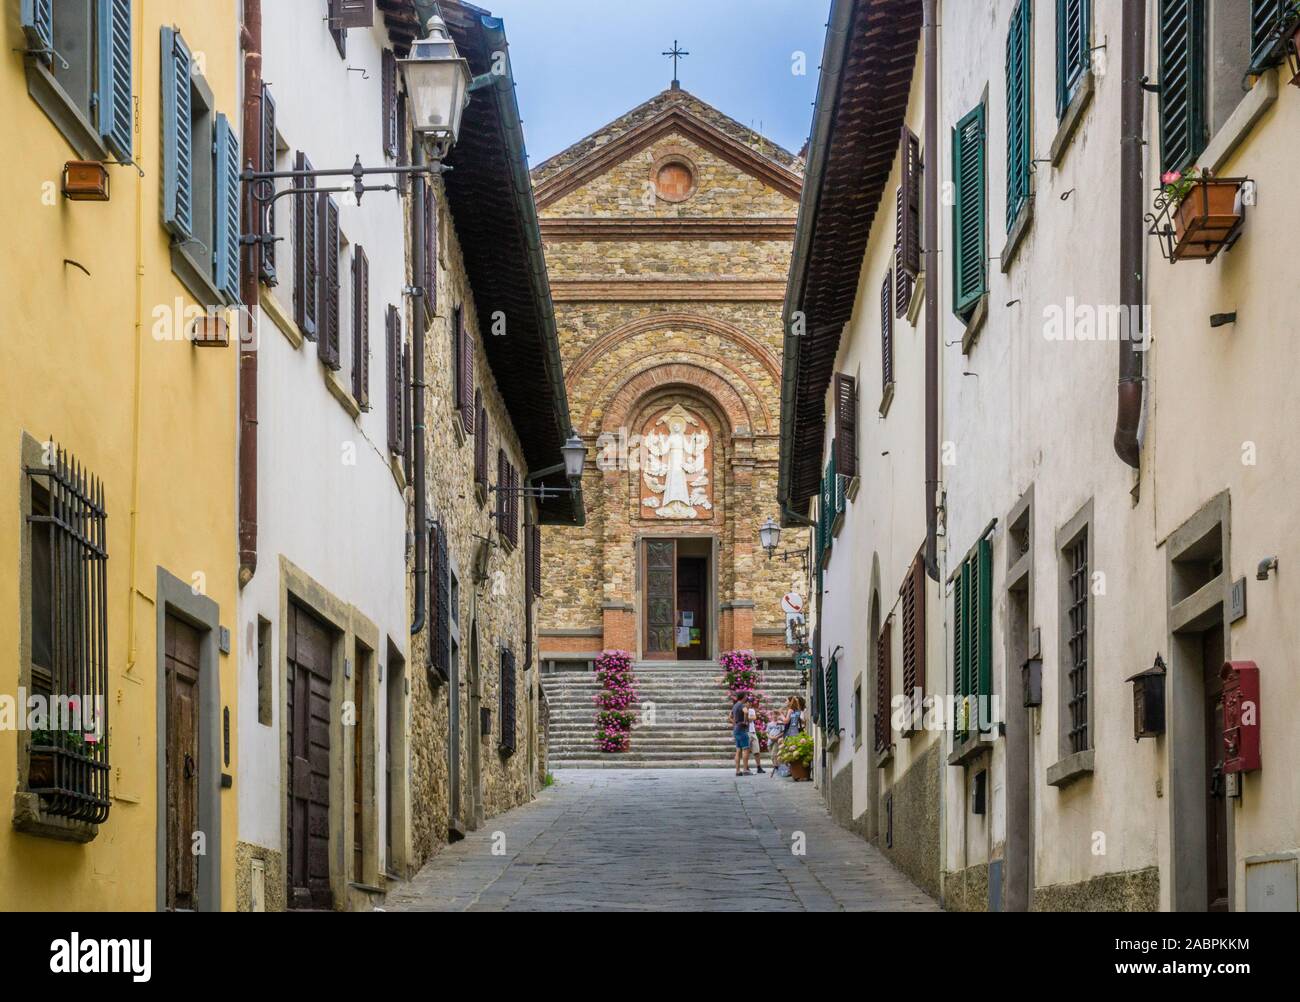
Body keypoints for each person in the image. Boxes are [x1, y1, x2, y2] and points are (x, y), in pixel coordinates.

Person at [731, 696, 751, 775]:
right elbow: (746, 712)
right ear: (743, 697)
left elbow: (730, 716)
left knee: (738, 750)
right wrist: (745, 721)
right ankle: (745, 770)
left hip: (736, 729)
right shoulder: (742, 705)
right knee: (746, 749)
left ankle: (737, 771)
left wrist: (735, 723)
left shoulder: (735, 705)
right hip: (742, 729)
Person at [747, 703, 765, 774]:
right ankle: (746, 767)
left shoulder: (751, 710)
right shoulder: (742, 709)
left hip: (753, 732)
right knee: (746, 751)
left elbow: (754, 718)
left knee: (757, 750)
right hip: (746, 732)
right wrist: (749, 718)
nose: (748, 704)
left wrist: (746, 717)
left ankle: (759, 767)